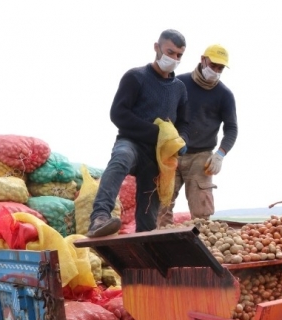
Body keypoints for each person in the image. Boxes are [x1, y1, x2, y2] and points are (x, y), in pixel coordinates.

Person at [87, 29, 190, 237]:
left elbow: (185, 124)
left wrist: (182, 142)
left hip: (157, 156)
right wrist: (156, 133)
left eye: (179, 55)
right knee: (120, 158)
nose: (174, 58)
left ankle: (146, 249)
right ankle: (99, 217)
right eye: (170, 52)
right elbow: (118, 113)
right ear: (156, 47)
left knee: (148, 215)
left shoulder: (179, 89)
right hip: (131, 142)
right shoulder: (136, 77)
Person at [157, 44, 238, 227]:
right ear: (202, 60)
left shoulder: (224, 95)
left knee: (202, 213)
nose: (216, 71)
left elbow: (232, 128)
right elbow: (162, 113)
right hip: (173, 153)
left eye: (220, 68)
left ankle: (200, 248)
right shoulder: (179, 83)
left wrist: (220, 154)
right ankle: (160, 247)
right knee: (161, 206)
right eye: (213, 65)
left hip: (202, 157)